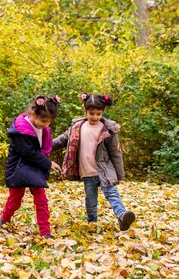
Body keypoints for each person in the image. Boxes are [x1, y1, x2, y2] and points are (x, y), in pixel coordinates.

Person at [52, 93, 135, 231]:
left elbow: (115, 153)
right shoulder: (77, 127)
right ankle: (92, 223)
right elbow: (61, 140)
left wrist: (119, 175)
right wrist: (44, 145)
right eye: (92, 113)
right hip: (87, 172)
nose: (95, 117)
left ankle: (122, 216)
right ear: (85, 111)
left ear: (103, 112)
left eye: (98, 113)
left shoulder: (108, 129)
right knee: (90, 201)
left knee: (112, 194)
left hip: (104, 170)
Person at [1, 95, 61, 239]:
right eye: (43, 120)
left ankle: (45, 232)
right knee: (15, 200)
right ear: (33, 114)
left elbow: (41, 150)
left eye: (48, 122)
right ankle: (4, 218)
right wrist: (48, 164)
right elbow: (28, 153)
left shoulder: (43, 129)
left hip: (35, 167)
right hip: (18, 167)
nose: (44, 124)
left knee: (41, 199)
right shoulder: (21, 130)